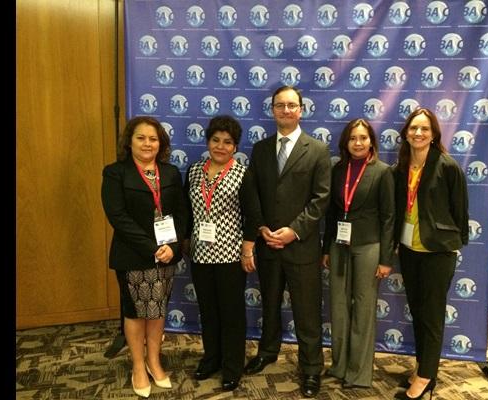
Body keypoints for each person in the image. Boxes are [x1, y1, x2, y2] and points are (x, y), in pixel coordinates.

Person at [243, 85, 331, 398]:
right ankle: (267, 352)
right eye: (280, 105)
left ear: (302, 109)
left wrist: (293, 231)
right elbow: (253, 194)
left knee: (307, 313)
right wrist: (262, 228)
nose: (286, 110)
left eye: (292, 105)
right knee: (269, 305)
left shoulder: (318, 150)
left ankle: (310, 369)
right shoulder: (261, 149)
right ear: (272, 110)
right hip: (267, 244)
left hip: (301, 246)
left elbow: (321, 200)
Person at [101, 116, 188, 398]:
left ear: (160, 142)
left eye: (153, 138)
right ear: (129, 141)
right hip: (134, 255)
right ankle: (138, 365)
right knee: (136, 313)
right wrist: (152, 247)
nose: (147, 143)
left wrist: (174, 247)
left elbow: (182, 213)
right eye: (141, 137)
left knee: (158, 310)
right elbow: (118, 216)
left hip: (167, 254)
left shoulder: (171, 173)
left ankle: (154, 360)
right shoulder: (115, 173)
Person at [393, 108, 469, 400]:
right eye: (413, 128)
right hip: (410, 250)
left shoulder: (447, 166)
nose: (418, 134)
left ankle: (425, 378)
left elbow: (460, 211)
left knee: (433, 316)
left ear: (434, 134)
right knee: (419, 311)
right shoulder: (402, 167)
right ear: (406, 133)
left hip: (438, 252)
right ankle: (424, 367)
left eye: (424, 129)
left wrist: (453, 242)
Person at [183, 115, 259, 392]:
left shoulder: (241, 173)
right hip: (200, 254)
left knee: (231, 314)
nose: (220, 146)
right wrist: (186, 240)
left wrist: (247, 249)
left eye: (227, 142)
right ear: (208, 141)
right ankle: (211, 358)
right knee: (208, 311)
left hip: (229, 254)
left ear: (235, 147)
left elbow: (253, 215)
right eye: (216, 140)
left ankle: (232, 367)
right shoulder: (194, 170)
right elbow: (188, 211)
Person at [321, 118, 396, 388]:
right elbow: (331, 212)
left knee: (363, 309)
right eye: (353, 138)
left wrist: (386, 259)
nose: (358, 143)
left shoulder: (383, 171)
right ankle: (339, 366)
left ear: (371, 141)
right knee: (338, 308)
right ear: (346, 142)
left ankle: (358, 373)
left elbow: (389, 218)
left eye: (363, 138)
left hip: (368, 246)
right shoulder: (335, 168)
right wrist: (326, 248)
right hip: (338, 246)